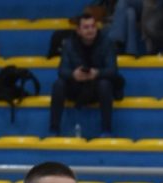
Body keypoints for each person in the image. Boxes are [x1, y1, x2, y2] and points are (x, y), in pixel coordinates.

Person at [49, 9, 123, 137]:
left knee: (105, 84)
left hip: (96, 87)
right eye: (86, 27)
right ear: (78, 30)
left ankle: (106, 130)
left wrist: (97, 73)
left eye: (93, 26)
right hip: (77, 86)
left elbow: (113, 70)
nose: (90, 30)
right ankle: (53, 130)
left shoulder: (107, 43)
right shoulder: (69, 44)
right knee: (58, 84)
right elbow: (62, 71)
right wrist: (74, 75)